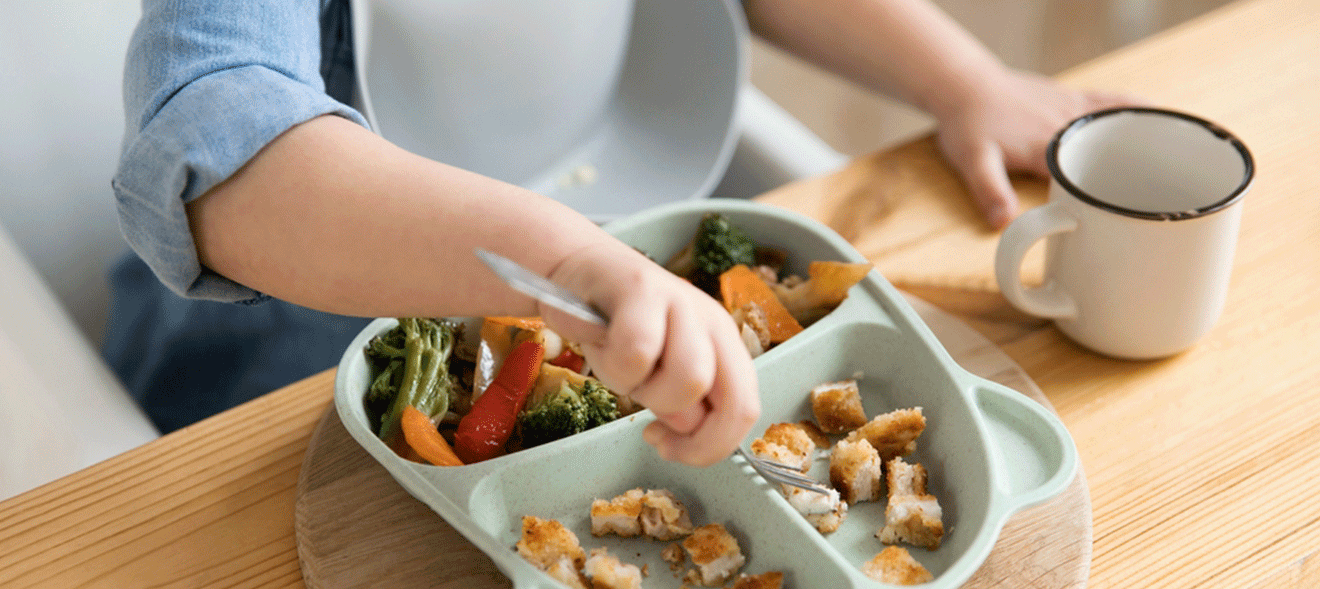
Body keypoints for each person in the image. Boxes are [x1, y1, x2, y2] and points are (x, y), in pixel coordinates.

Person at [110, 0, 1135, 466]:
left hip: (613, 250)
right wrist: (560, 261)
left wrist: (963, 82)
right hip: (292, 326)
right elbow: (217, 143)